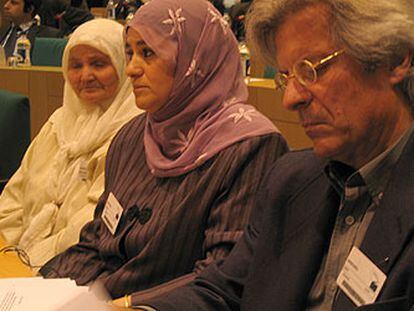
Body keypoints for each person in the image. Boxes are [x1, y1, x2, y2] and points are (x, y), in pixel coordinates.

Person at [132, 0, 414, 310]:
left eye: (312, 70)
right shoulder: (292, 180)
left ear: (393, 58)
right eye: (286, 77)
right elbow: (223, 292)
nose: (290, 99)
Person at [39, 0, 288, 307]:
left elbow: (224, 273)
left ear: (195, 58)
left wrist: (130, 304)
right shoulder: (132, 135)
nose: (130, 69)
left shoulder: (248, 145)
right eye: (130, 52)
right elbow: (96, 241)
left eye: (148, 53)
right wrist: (41, 288)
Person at [0, 18, 140, 267]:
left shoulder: (132, 133)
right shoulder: (59, 122)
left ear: (122, 65)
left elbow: (91, 227)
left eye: (98, 64)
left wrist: (30, 265)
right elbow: (14, 197)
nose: (85, 76)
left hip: (73, 269)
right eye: (76, 65)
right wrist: (8, 256)